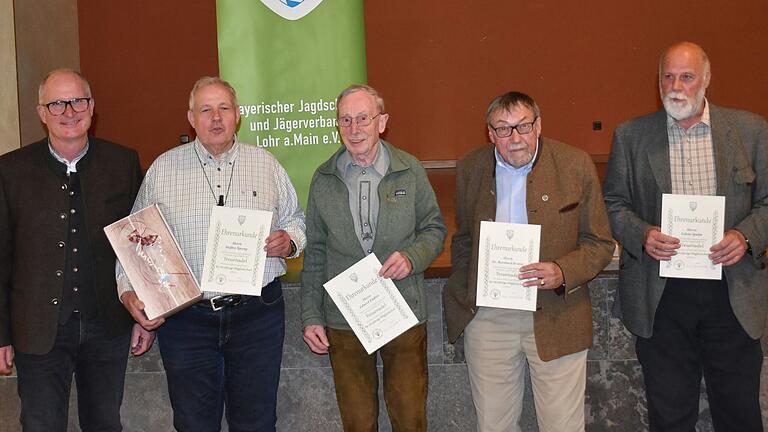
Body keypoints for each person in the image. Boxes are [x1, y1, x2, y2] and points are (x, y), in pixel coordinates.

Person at [117, 76, 306, 432]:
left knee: (257, 422)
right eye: (206, 110)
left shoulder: (266, 165)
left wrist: (290, 241)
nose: (215, 118)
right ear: (191, 118)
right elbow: (134, 239)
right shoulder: (163, 170)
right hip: (187, 320)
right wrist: (130, 292)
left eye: (223, 109)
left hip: (257, 316)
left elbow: (297, 222)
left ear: (238, 115)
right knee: (192, 423)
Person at [603, 41, 767, 431]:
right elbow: (613, 203)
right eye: (668, 76)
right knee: (669, 416)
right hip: (663, 298)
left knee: (740, 413)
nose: (676, 85)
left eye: (687, 76)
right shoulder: (631, 135)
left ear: (706, 80)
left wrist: (745, 236)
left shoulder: (751, 131)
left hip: (732, 292)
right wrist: (642, 234)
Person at [444, 91, 614, 432]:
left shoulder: (575, 164)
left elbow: (600, 243)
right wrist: (471, 287)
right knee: (493, 426)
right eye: (503, 129)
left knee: (562, 427)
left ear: (538, 126)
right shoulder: (470, 168)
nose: (515, 138)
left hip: (557, 312)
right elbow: (463, 240)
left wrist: (562, 271)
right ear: (490, 134)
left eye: (523, 126)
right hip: (490, 318)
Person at [0, 68, 153, 431]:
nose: (69, 111)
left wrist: (143, 313)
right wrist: (1, 334)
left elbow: (141, 246)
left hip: (107, 326)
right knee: (40, 424)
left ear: (92, 107)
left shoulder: (124, 163)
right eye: (57, 103)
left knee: (104, 422)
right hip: (36, 329)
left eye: (78, 101)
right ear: (41, 113)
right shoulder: (10, 170)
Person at [301, 84, 446, 431]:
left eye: (363, 118)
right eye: (345, 120)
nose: (354, 129)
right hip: (344, 318)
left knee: (410, 418)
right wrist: (310, 314)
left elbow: (434, 229)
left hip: (403, 311)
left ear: (382, 122)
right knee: (357, 421)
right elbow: (316, 252)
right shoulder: (323, 179)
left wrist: (412, 257)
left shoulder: (409, 170)